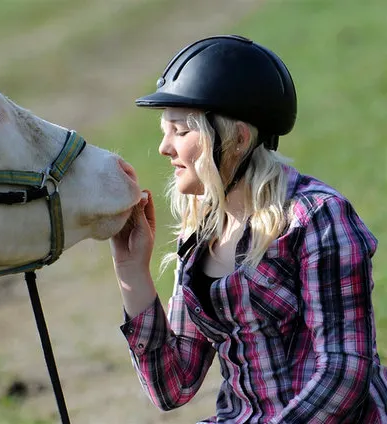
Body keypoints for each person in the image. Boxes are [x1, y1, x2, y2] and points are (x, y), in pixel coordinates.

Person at [110, 35, 387, 423]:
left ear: (237, 138)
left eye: (180, 130)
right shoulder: (201, 231)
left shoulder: (317, 218)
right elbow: (172, 386)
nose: (164, 147)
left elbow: (344, 372)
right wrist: (132, 272)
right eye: (164, 130)